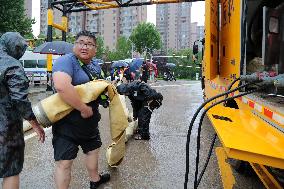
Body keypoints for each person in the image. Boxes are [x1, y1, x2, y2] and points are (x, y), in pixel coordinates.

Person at [52, 31, 110, 189]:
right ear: (75, 45)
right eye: (81, 42)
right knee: (64, 162)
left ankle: (95, 179)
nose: (85, 46)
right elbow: (61, 86)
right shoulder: (66, 61)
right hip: (66, 123)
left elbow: (99, 86)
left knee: (92, 150)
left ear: (95, 49)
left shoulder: (94, 65)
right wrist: (83, 108)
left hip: (89, 121)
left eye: (89, 44)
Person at [0, 32, 45, 189]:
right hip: (7, 129)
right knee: (11, 170)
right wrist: (35, 124)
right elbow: (20, 100)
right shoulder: (12, 65)